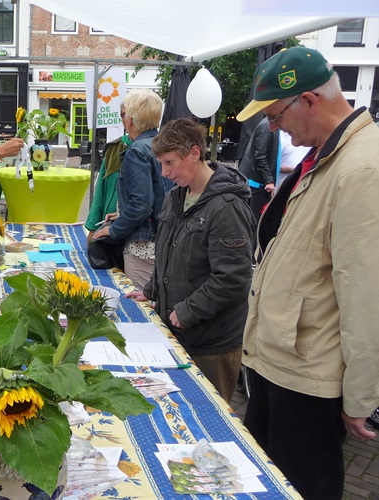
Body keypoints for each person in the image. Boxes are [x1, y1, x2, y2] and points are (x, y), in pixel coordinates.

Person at [237, 46, 379, 499]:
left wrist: (361, 398)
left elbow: (364, 293)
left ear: (310, 102)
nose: (274, 128)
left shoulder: (362, 167)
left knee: (303, 487)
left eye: (276, 116)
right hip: (279, 361)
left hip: (307, 376)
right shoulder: (326, 154)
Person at [127, 118, 254, 404]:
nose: (165, 172)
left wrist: (188, 311)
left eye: (170, 163)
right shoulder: (176, 196)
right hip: (178, 332)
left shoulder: (227, 207)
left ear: (195, 153)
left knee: (207, 416)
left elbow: (232, 277)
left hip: (211, 343)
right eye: (161, 164)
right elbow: (168, 253)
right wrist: (151, 290)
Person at [92, 89, 173, 290]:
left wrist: (113, 229)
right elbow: (156, 195)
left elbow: (141, 205)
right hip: (163, 238)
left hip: (143, 244)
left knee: (142, 306)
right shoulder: (160, 144)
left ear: (131, 119)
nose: (123, 118)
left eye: (124, 113)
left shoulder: (137, 151)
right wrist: (121, 214)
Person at [84, 134, 131, 241]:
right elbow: (100, 191)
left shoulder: (153, 148)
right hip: (107, 231)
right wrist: (93, 228)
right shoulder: (115, 148)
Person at [238, 117, 278, 224]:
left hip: (258, 183)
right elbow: (260, 156)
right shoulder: (267, 126)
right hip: (256, 185)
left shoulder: (269, 125)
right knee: (254, 223)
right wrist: (269, 181)